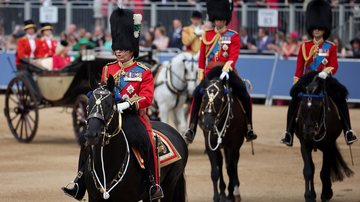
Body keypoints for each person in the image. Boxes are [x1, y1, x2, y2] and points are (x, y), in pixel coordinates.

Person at [62, 7, 164, 201]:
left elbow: (147, 98)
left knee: (146, 141)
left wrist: (127, 105)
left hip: (132, 116)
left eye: (122, 49)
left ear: (131, 49)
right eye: (116, 49)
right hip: (109, 115)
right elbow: (103, 91)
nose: (118, 52)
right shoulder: (108, 69)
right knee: (87, 139)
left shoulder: (143, 71)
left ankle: (152, 184)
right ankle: (80, 182)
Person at [280, 0, 358, 147]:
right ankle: (289, 132)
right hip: (307, 78)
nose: (316, 30)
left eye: (319, 28)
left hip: (324, 77)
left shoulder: (331, 47)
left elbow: (334, 65)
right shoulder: (305, 46)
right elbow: (299, 67)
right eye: (314, 28)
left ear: (324, 29)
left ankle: (348, 130)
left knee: (341, 98)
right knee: (294, 101)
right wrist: (297, 82)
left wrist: (326, 72)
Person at [184, 0, 258, 144]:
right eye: (217, 19)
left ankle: (249, 127)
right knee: (197, 94)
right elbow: (201, 58)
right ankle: (191, 128)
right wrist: (201, 75)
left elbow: (234, 55)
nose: (219, 22)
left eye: (221, 20)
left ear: (225, 20)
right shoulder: (207, 35)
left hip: (227, 70)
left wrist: (227, 69)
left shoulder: (233, 36)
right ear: (213, 19)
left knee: (244, 93)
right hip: (211, 71)